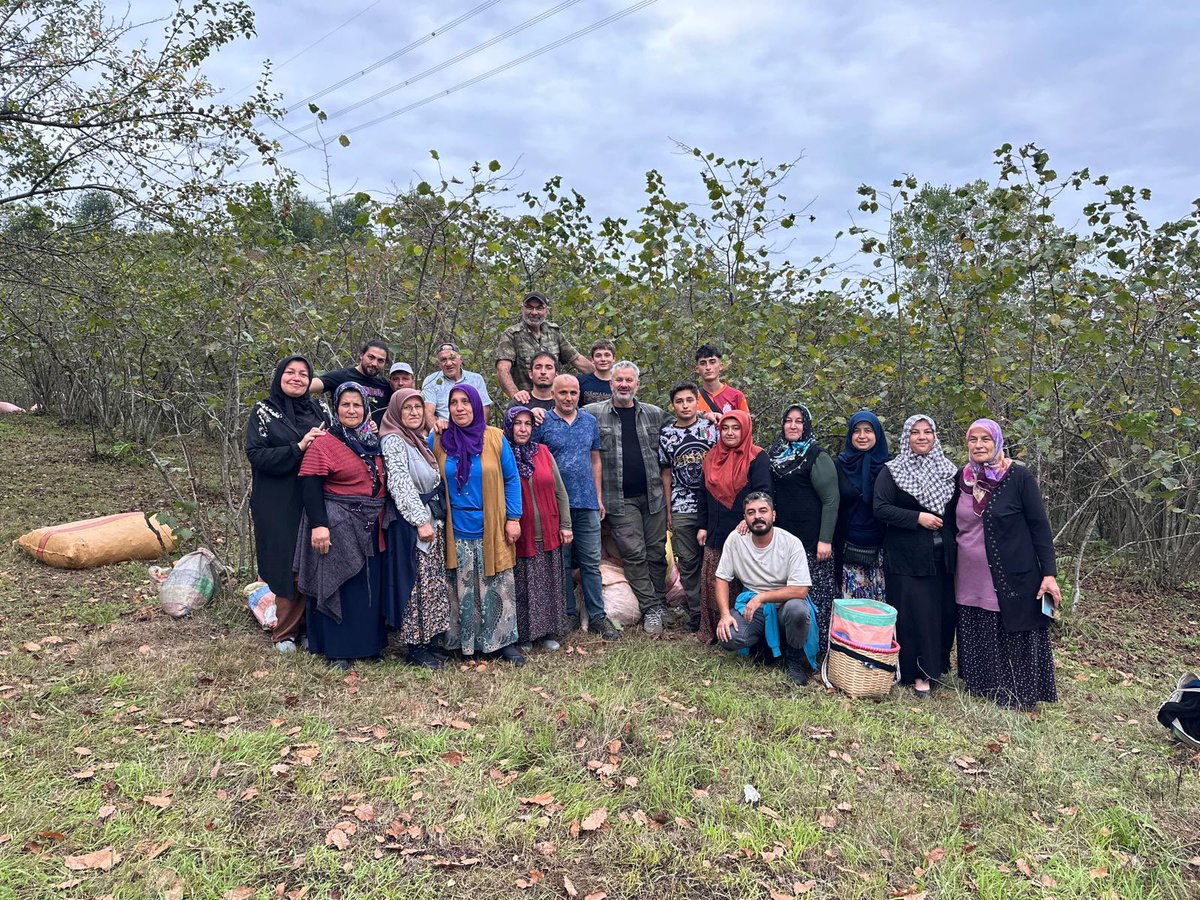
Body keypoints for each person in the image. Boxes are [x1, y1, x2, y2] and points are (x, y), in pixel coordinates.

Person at [944, 418, 1061, 710]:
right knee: (976, 624)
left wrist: (1049, 573)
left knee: (1010, 627)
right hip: (968, 573)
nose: (979, 445)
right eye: (973, 439)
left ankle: (1017, 691)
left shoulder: (1018, 478)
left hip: (1011, 574)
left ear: (997, 442)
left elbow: (1040, 527)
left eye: (986, 439)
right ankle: (981, 684)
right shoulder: (962, 478)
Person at [295, 383, 392, 669]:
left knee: (366, 586)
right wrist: (319, 526)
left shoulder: (372, 441)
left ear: (366, 409)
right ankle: (339, 650)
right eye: (345, 405)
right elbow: (310, 484)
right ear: (336, 408)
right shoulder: (326, 441)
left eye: (357, 405)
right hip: (337, 523)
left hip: (370, 524)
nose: (351, 410)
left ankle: (368, 645)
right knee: (341, 584)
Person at [431, 384, 526, 665]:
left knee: (495, 584)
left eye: (465, 402)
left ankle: (501, 642)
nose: (459, 408)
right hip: (454, 526)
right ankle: (459, 642)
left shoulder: (495, 438)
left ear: (476, 405)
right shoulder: (438, 439)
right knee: (459, 586)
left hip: (492, 523)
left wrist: (514, 518)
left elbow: (511, 479)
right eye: (454, 403)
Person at [245, 355, 329, 653]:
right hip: (277, 499)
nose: (297, 378)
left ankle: (309, 627)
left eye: (303, 374)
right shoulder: (264, 411)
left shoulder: (319, 409)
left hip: (316, 497)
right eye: (290, 372)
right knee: (286, 562)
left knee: (314, 559)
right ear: (279, 376)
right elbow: (256, 455)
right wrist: (298, 448)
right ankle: (285, 631)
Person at [873, 414, 958, 698]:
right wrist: (917, 517)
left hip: (941, 559)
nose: (922, 437)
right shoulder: (893, 470)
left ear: (935, 436)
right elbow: (881, 508)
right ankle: (915, 673)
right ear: (906, 438)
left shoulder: (949, 471)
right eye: (915, 432)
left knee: (939, 615)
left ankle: (935, 668)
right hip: (907, 558)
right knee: (912, 616)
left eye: (927, 432)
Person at [585, 361, 671, 635]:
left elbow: (684, 422)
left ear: (637, 384)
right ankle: (651, 608)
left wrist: (709, 418)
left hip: (653, 496)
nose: (624, 385)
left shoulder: (654, 414)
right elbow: (564, 418)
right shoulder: (592, 414)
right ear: (610, 384)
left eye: (629, 380)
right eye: (618, 380)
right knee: (634, 555)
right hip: (618, 500)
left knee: (657, 554)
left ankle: (658, 604)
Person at [536, 375, 619, 641]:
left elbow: (596, 461)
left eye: (573, 393)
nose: (569, 398)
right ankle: (568, 613)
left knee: (590, 562)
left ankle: (597, 616)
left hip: (587, 504)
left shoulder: (589, 422)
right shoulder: (543, 423)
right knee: (561, 562)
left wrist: (598, 497)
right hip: (556, 506)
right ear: (554, 394)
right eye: (563, 393)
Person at [379, 388, 450, 670]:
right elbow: (400, 483)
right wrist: (420, 520)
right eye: (407, 408)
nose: (414, 412)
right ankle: (415, 645)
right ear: (396, 411)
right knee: (415, 584)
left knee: (430, 583)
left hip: (430, 518)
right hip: (412, 524)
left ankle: (430, 640)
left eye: (418, 407)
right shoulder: (394, 440)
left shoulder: (417, 439)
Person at [714, 492, 814, 686]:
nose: (757, 516)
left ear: (773, 515)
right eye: (751, 512)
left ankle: (793, 658)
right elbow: (721, 578)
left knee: (798, 610)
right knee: (730, 638)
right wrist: (725, 615)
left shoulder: (791, 543)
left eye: (763, 511)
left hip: (785, 604)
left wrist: (762, 597)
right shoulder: (736, 539)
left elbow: (801, 590)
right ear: (744, 518)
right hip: (753, 607)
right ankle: (762, 645)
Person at [767, 403, 840, 644]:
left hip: (812, 540)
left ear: (806, 425)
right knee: (786, 593)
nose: (793, 425)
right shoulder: (776, 453)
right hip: (783, 537)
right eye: (788, 420)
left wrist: (825, 539)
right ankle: (787, 644)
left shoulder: (816, 455)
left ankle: (817, 646)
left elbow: (831, 500)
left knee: (814, 594)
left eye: (799, 421)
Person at [697, 410, 772, 644]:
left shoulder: (757, 457)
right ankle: (713, 631)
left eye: (735, 428)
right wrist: (702, 526)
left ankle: (743, 634)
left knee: (743, 582)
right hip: (717, 531)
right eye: (725, 428)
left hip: (745, 531)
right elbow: (703, 494)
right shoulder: (711, 456)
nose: (730, 432)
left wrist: (749, 520)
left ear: (745, 429)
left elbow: (764, 492)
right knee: (714, 581)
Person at [505, 406, 573, 651]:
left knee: (548, 583)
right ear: (509, 425)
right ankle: (524, 635)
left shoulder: (542, 452)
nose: (523, 429)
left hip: (548, 528)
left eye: (528, 424)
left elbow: (560, 490)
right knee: (523, 585)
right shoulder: (503, 452)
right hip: (520, 532)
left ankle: (547, 632)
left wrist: (566, 525)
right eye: (518, 423)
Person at [658, 382, 717, 632]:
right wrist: (669, 509)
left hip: (712, 505)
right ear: (673, 405)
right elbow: (666, 473)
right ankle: (697, 613)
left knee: (714, 561)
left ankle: (716, 611)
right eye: (679, 401)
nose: (685, 405)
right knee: (689, 563)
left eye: (689, 400)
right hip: (682, 506)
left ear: (697, 402)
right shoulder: (667, 434)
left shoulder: (711, 428)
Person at [495, 290, 594, 402]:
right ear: (522, 309)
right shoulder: (512, 335)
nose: (534, 312)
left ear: (547, 311)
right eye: (529, 307)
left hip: (555, 403)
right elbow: (502, 369)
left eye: (539, 308)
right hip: (526, 404)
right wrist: (516, 396)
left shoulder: (554, 332)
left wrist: (603, 378)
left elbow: (578, 360)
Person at [834, 410, 890, 602]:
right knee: (852, 616)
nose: (862, 436)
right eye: (856, 431)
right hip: (848, 551)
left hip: (883, 553)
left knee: (879, 613)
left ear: (877, 434)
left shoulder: (891, 467)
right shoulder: (839, 465)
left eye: (868, 430)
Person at [311, 340, 392, 425]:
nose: (374, 363)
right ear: (361, 355)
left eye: (380, 361)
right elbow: (306, 386)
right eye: (371, 357)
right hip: (341, 435)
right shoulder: (342, 376)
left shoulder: (385, 385)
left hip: (374, 436)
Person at [422, 342, 492, 431]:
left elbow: (484, 410)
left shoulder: (476, 379)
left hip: (473, 430)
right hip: (445, 432)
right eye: (443, 360)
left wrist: (477, 433)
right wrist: (438, 434)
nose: (448, 363)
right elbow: (428, 412)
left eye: (452, 358)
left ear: (461, 359)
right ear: (438, 364)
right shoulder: (431, 381)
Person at [693, 344, 750, 424]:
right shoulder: (692, 398)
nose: (708, 367)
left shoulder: (736, 396)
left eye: (712, 362)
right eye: (703, 363)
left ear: (720, 366)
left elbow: (746, 428)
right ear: (697, 369)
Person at [517, 351, 558, 424]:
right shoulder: (519, 402)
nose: (543, 372)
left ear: (556, 375)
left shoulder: (564, 402)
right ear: (531, 374)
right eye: (538, 367)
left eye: (548, 368)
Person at [576, 339, 615, 406]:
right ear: (592, 360)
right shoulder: (580, 381)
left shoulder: (620, 384)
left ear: (614, 358)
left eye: (607, 355)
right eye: (598, 355)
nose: (603, 359)